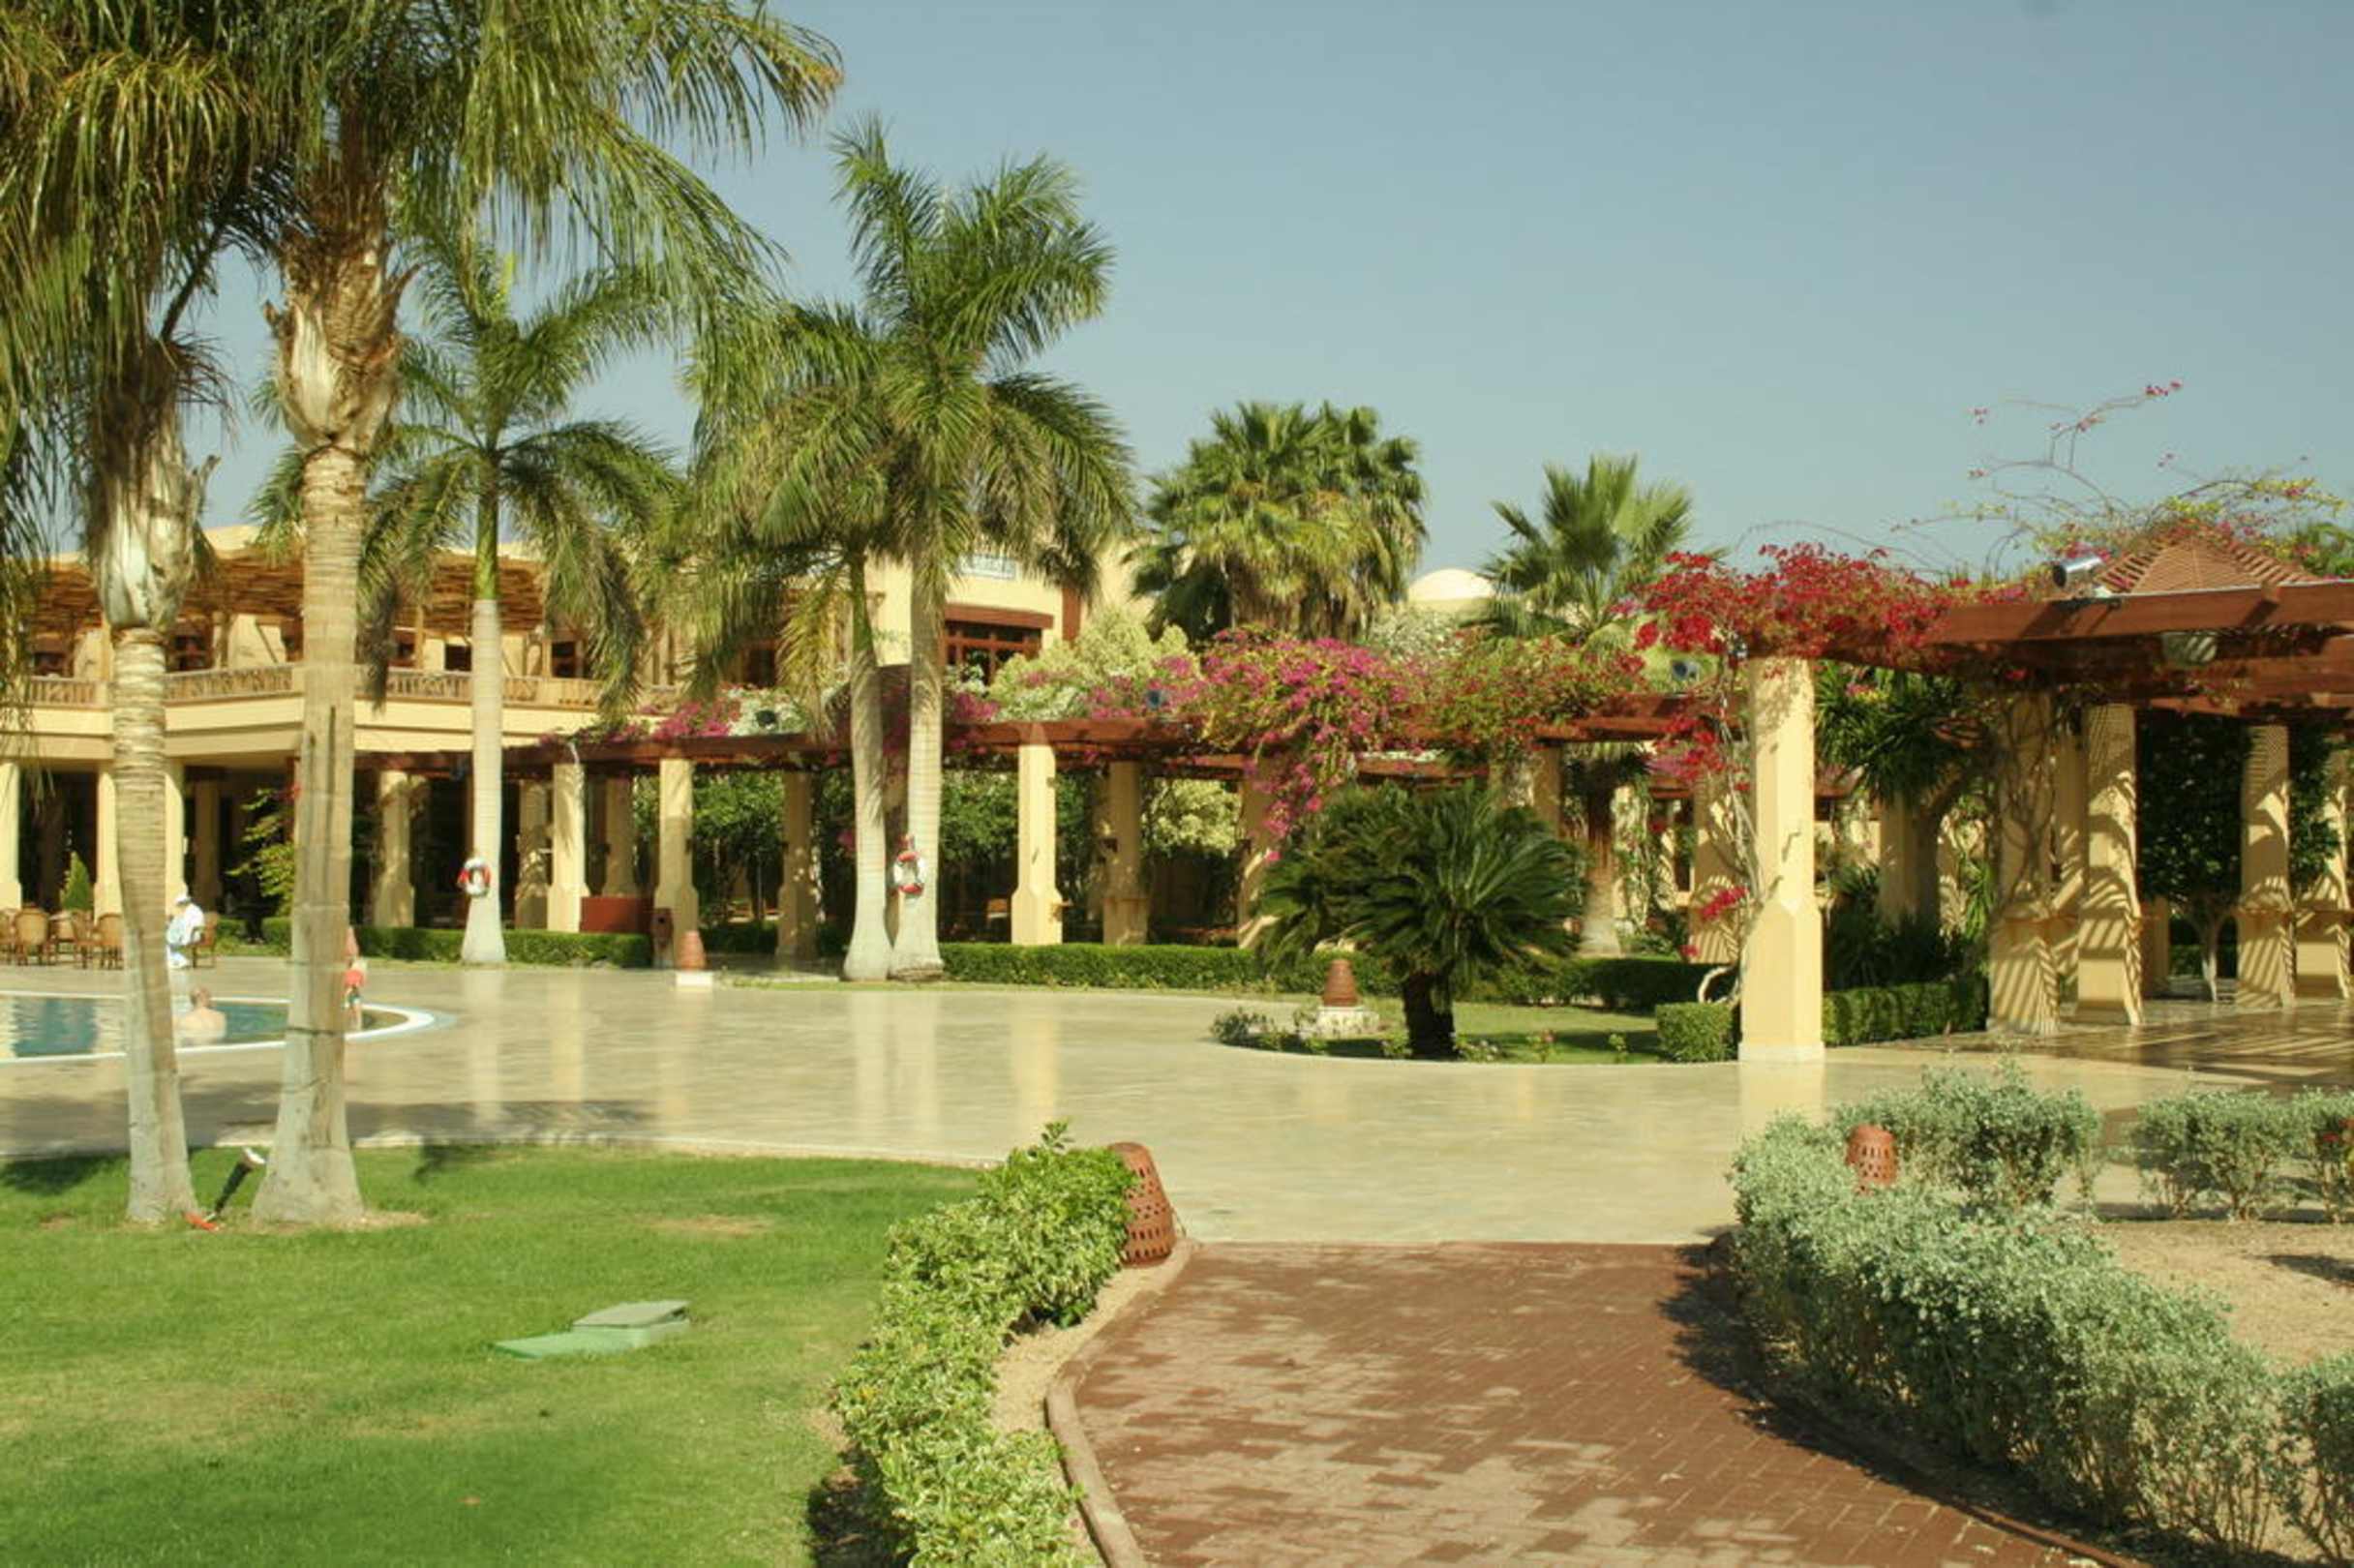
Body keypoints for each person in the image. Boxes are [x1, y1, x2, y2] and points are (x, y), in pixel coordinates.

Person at [165, 894, 205, 970]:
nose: (180, 907)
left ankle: (180, 962)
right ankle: (179, 961)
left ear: (184, 903)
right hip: (190, 934)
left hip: (192, 935)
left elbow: (187, 926)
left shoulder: (192, 911)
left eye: (180, 905)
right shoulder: (192, 910)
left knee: (167, 944)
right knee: (168, 944)